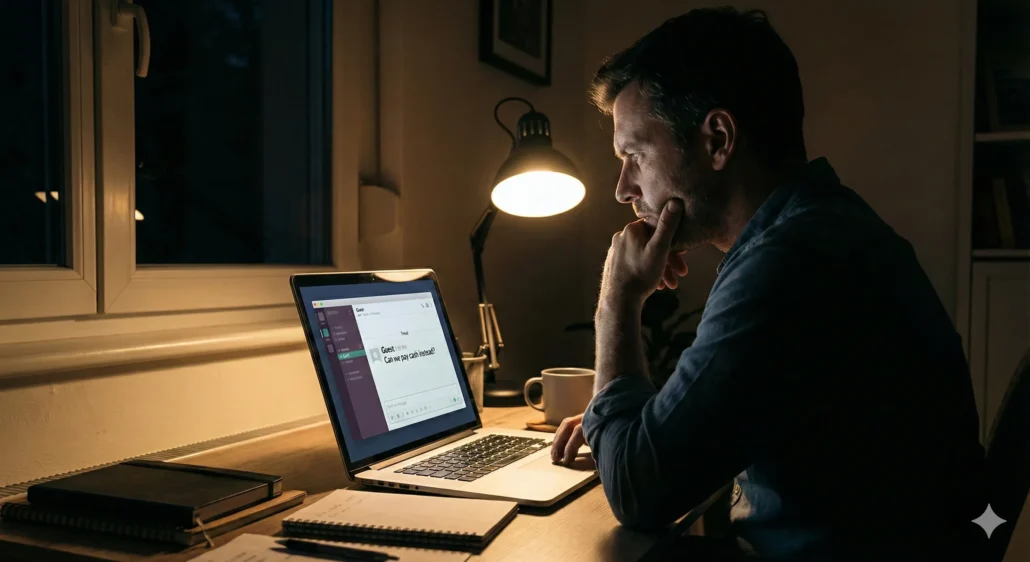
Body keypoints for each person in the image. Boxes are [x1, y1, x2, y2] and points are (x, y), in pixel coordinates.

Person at [550, 7, 987, 561]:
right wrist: (628, 422)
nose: (622, 188)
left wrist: (618, 299)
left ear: (717, 139)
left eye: (634, 154)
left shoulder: (788, 263)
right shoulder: (819, 226)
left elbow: (640, 491)